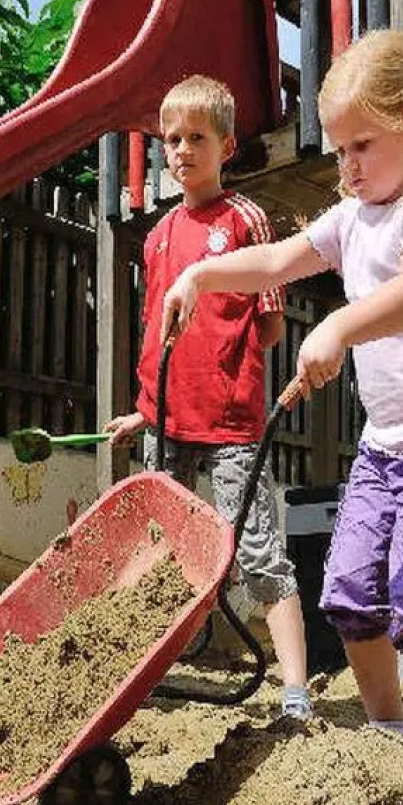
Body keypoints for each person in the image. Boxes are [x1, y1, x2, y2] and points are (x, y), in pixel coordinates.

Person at [159, 31, 403, 805]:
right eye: (339, 150)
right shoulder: (352, 217)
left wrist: (340, 327)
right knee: (348, 594)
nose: (348, 166)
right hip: (385, 448)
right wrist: (200, 274)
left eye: (362, 146)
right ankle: (389, 742)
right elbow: (276, 260)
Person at [103, 74, 313, 722]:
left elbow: (269, 323)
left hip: (232, 426)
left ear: (227, 146)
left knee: (258, 553)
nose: (183, 150)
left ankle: (296, 691)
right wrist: (145, 411)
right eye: (172, 139)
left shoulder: (245, 220)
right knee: (157, 548)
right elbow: (156, 337)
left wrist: (224, 369)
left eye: (198, 137)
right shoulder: (158, 236)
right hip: (168, 424)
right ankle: (134, 677)